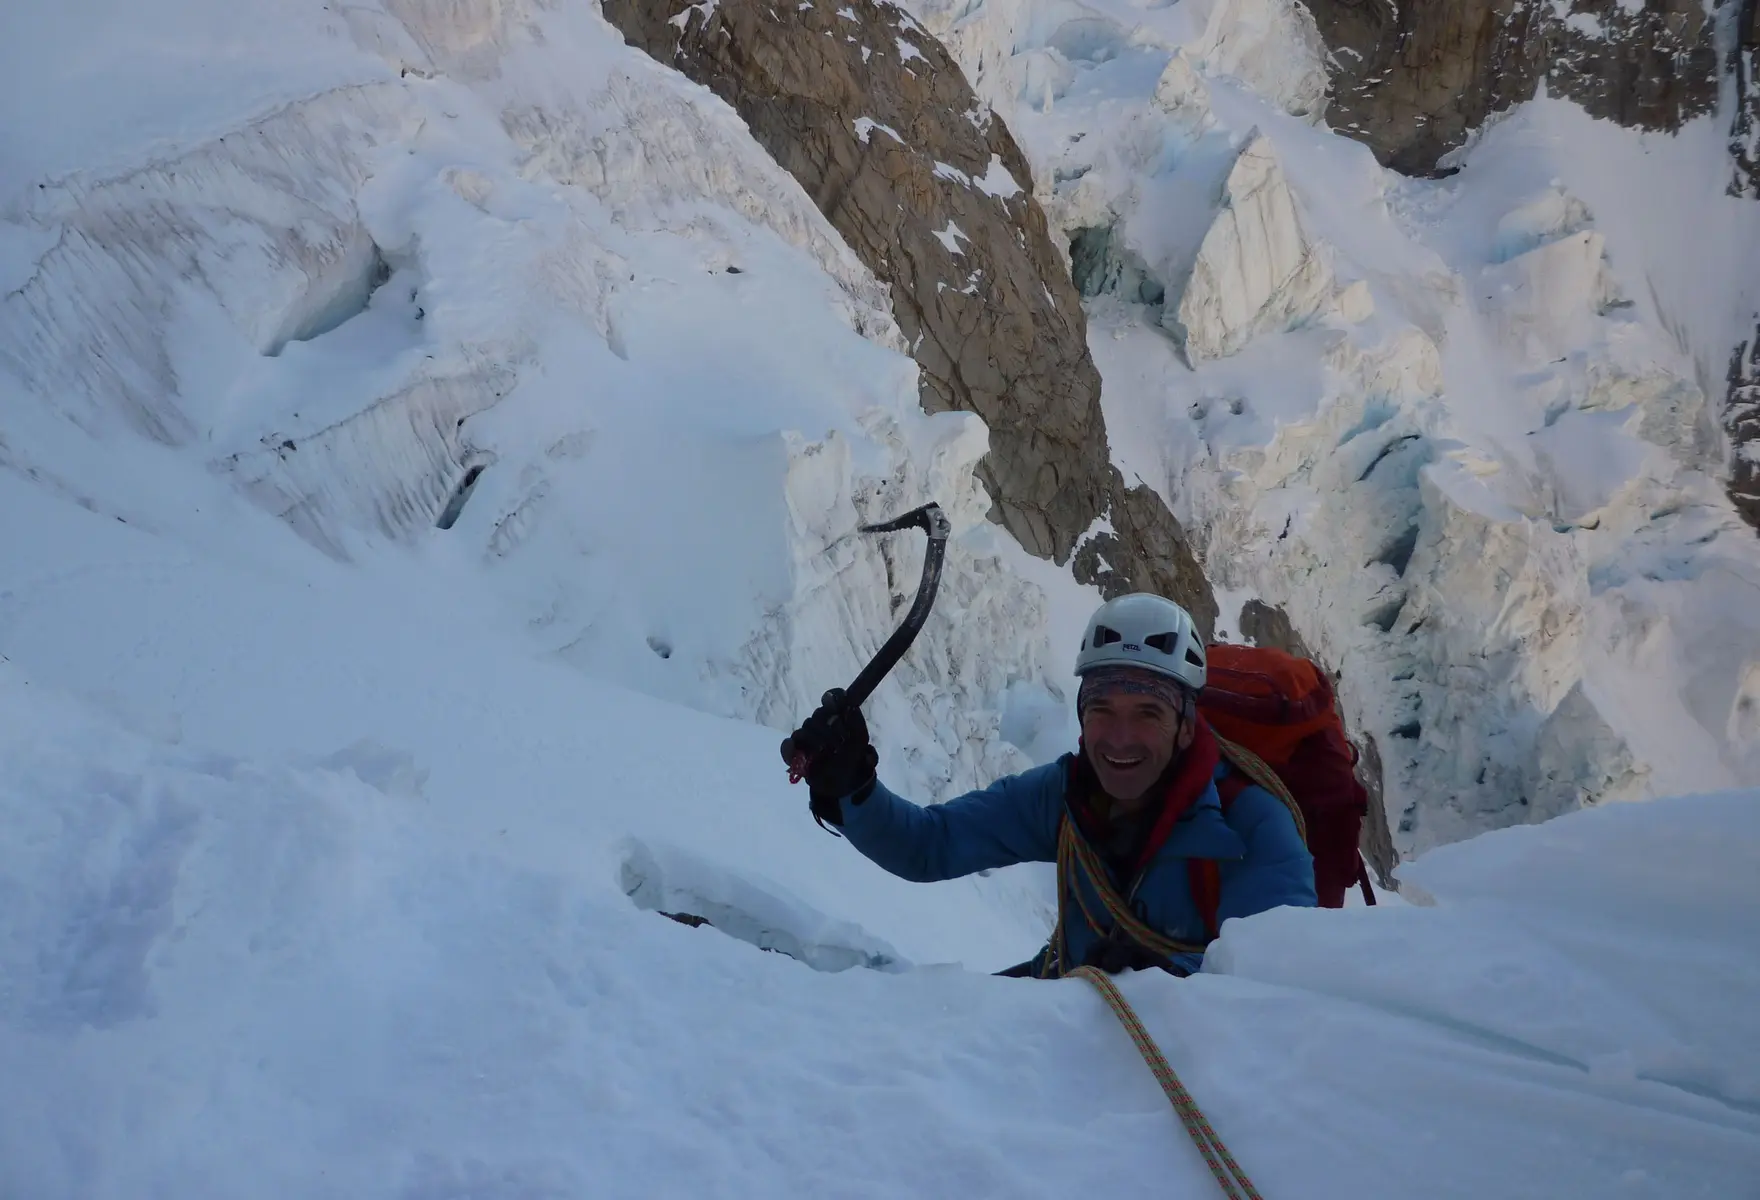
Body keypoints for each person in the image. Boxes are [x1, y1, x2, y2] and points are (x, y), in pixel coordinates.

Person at [786, 593, 1316, 977]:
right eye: (1102, 709)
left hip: (1164, 1061)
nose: (1120, 738)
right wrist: (851, 786)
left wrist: (1157, 980)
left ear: (1185, 726)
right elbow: (930, 845)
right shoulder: (1067, 797)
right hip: (1076, 1004)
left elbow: (1273, 993)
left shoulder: (1251, 828)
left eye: (1148, 713)